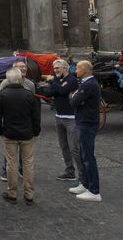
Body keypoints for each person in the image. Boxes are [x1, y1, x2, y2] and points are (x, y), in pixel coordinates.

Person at [0, 67, 41, 205]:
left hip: (10, 134)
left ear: (8, 79)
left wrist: (0, 130)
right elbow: (36, 117)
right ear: (20, 79)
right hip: (27, 134)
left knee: (11, 164)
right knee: (28, 164)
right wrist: (36, 131)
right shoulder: (29, 95)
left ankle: (12, 193)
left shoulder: (2, 95)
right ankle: (29, 194)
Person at [40, 59, 82, 184]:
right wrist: (57, 87)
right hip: (59, 117)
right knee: (64, 146)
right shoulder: (58, 80)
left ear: (65, 68)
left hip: (71, 118)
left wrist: (54, 85)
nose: (55, 70)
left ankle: (83, 175)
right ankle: (70, 172)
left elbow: (63, 91)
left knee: (74, 148)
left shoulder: (72, 80)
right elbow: (48, 93)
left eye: (58, 68)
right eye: (54, 68)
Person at [69, 60, 102, 202]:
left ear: (86, 70)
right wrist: (75, 96)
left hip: (87, 123)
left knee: (88, 158)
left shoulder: (89, 85)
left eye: (78, 68)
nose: (76, 70)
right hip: (83, 122)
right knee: (83, 155)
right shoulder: (85, 84)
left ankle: (94, 191)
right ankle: (86, 184)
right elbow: (75, 98)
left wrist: (74, 96)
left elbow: (73, 101)